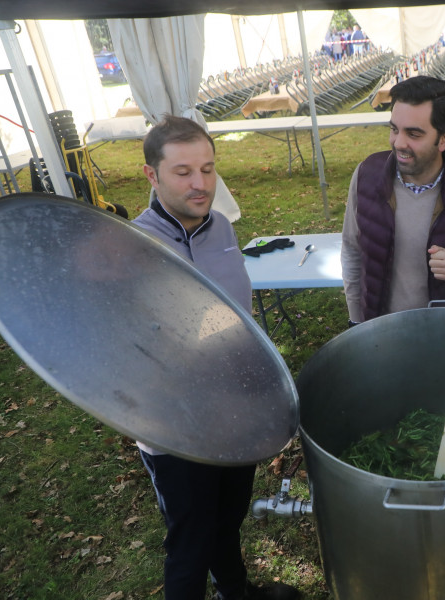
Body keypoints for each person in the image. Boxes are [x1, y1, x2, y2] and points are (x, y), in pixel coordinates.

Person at [134, 116, 299, 600]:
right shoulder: (134, 247)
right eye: (183, 171)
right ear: (152, 175)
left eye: (207, 169)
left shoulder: (221, 227)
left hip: (234, 409)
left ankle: (235, 590)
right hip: (175, 426)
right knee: (189, 542)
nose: (200, 183)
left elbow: (236, 316)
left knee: (228, 518)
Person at [341, 75, 445, 325]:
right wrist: (357, 322)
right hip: (381, 332)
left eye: (413, 134)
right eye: (394, 129)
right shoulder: (366, 175)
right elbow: (352, 251)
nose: (399, 143)